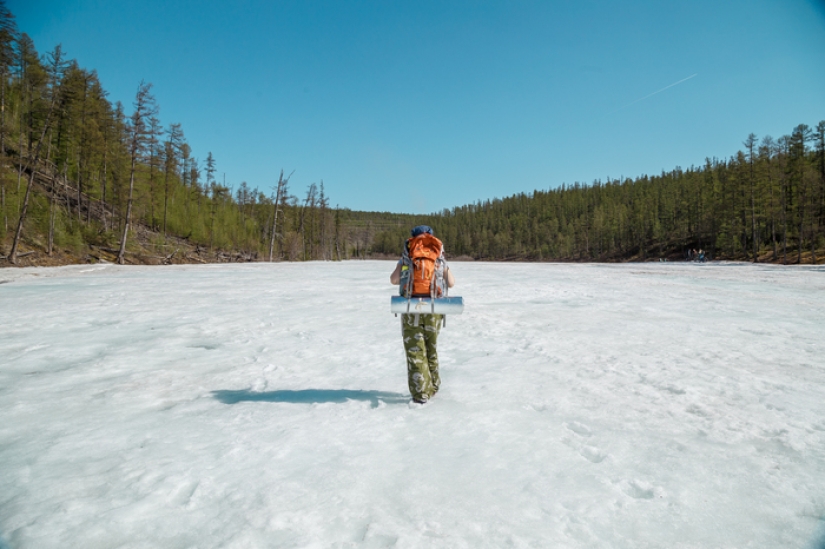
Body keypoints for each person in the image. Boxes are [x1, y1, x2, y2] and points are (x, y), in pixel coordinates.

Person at [390, 225, 456, 404]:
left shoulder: (407, 256)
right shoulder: (438, 257)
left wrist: (404, 268)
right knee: (431, 347)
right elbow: (451, 283)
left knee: (415, 351)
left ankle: (421, 393)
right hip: (434, 309)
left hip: (412, 308)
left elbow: (394, 279)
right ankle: (434, 386)